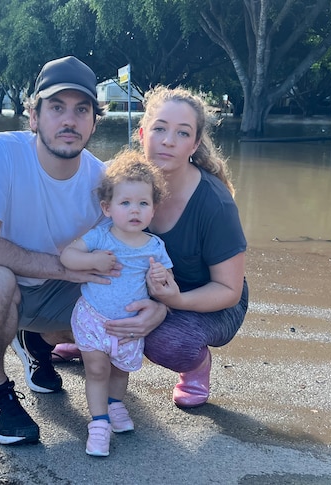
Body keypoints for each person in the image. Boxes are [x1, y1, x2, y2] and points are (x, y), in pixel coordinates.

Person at [0, 56, 167, 446]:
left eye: (81, 110)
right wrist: (64, 269)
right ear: (33, 116)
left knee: (115, 303)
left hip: (51, 290)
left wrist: (158, 306)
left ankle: (35, 342)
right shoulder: (0, 152)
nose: (69, 120)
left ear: (95, 121)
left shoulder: (101, 183)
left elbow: (126, 256)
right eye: (56, 107)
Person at [102, 85, 249, 408]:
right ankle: (100, 341)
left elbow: (229, 289)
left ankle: (196, 367)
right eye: (159, 129)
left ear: (195, 144)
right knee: (69, 313)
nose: (168, 141)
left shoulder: (215, 204)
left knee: (168, 342)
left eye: (182, 133)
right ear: (142, 133)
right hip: (146, 290)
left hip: (208, 298)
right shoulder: (118, 180)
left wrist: (172, 302)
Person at [60, 151, 173, 456]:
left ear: (153, 209)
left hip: (129, 326)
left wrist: (162, 277)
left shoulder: (155, 246)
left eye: (143, 203)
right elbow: (67, 256)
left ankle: (115, 404)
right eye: (125, 203)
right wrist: (91, 260)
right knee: (96, 370)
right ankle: (98, 424)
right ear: (107, 208)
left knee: (121, 371)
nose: (134, 210)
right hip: (93, 318)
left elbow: (169, 286)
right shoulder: (100, 236)